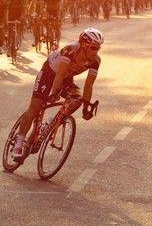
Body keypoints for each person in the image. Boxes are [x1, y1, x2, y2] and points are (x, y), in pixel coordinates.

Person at [9, 27, 103, 163]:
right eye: (93, 48)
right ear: (84, 45)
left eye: (98, 49)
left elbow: (89, 85)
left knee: (77, 99)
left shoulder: (96, 61)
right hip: (49, 73)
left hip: (66, 78)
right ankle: (19, 142)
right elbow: (59, 75)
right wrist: (54, 93)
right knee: (35, 107)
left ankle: (51, 123)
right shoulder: (71, 50)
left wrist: (86, 107)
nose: (96, 52)